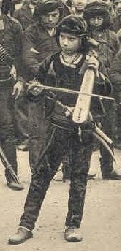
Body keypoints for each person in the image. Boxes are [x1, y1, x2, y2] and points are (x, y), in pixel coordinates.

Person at [9, 15, 114, 244]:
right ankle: (25, 225)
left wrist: (97, 74)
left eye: (71, 39)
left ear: (81, 40)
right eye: (62, 37)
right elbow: (37, 86)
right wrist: (34, 90)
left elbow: (105, 93)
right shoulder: (52, 61)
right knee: (42, 174)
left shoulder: (91, 62)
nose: (65, 42)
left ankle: (72, 225)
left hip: (83, 127)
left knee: (78, 177)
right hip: (58, 126)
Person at [83, 0, 121, 180]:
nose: (96, 22)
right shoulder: (82, 35)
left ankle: (108, 167)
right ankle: (81, 167)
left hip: (108, 88)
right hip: (88, 86)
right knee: (86, 127)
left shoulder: (112, 36)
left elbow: (117, 58)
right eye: (93, 18)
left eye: (99, 18)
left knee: (108, 127)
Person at [0, 0, 24, 190]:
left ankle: (12, 174)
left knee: (6, 128)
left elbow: (21, 57)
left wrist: (20, 80)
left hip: (4, 85)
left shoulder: (13, 26)